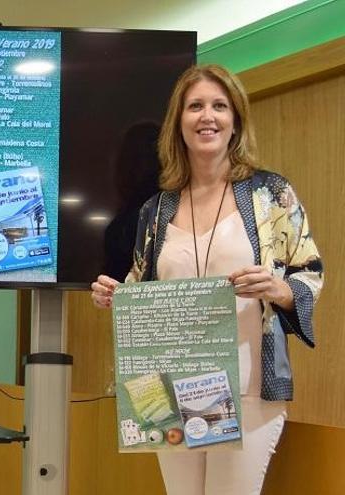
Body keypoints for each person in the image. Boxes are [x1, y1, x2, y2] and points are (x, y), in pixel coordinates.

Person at [91, 64, 323, 495]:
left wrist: (277, 288)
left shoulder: (272, 194)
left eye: (220, 106)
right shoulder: (154, 211)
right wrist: (116, 295)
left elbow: (309, 272)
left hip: (248, 387)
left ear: (235, 121)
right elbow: (141, 289)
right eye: (195, 106)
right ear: (179, 123)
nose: (207, 116)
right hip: (166, 388)